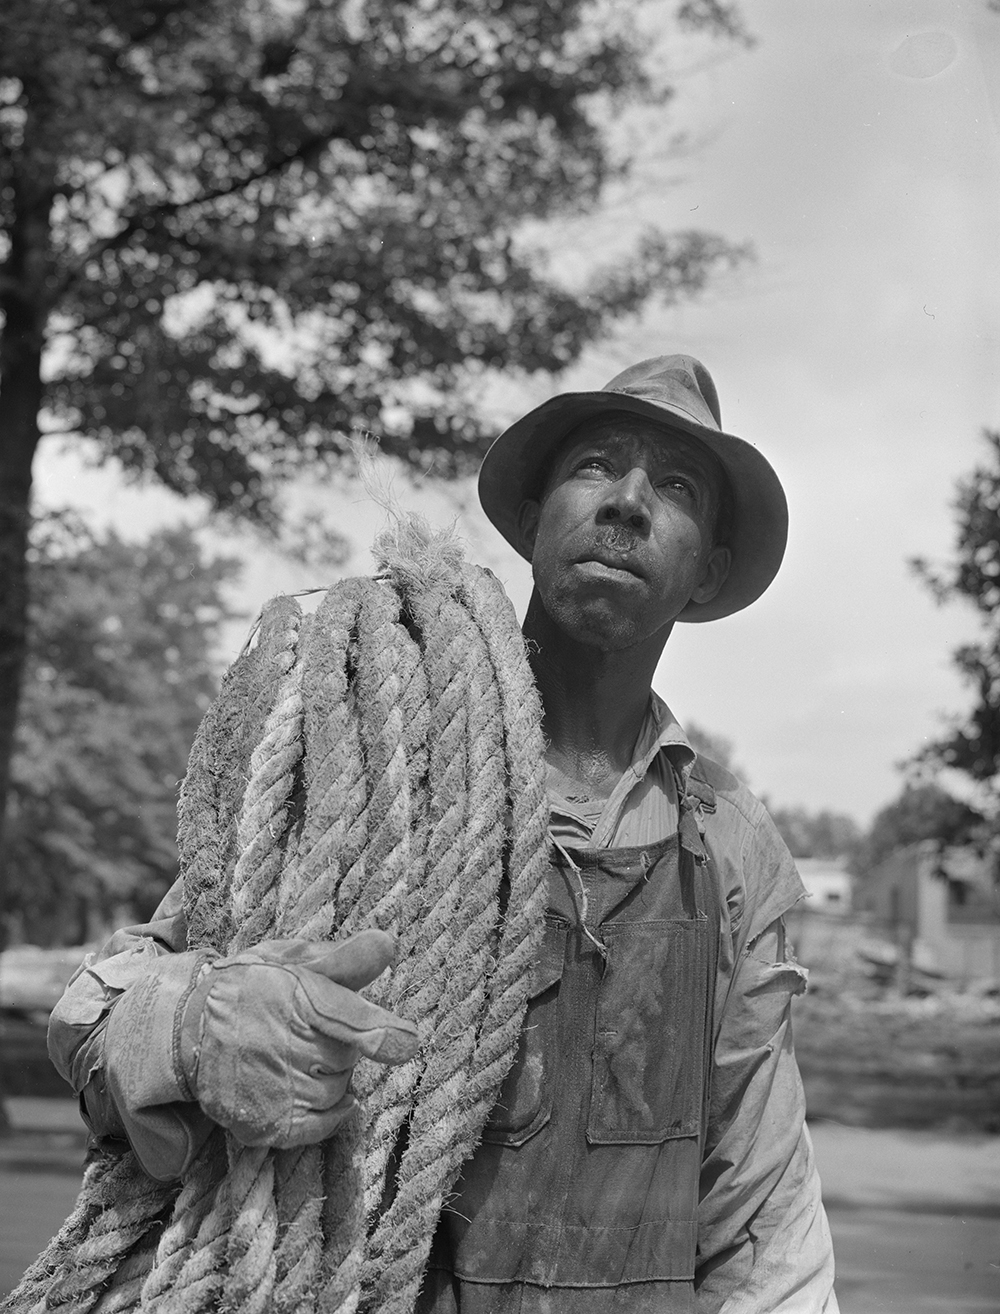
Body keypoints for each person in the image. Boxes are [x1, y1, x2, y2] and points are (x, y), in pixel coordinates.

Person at [48, 354, 838, 1312]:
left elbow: (764, 1210)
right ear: (537, 519)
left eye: (675, 488)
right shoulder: (380, 759)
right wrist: (183, 1029)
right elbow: (97, 1014)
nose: (628, 502)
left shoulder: (731, 850)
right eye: (595, 467)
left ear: (706, 564)